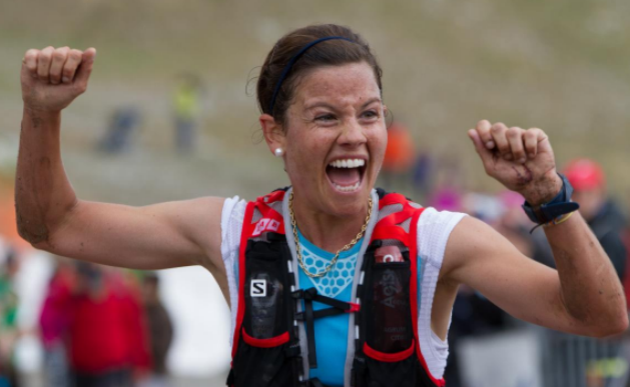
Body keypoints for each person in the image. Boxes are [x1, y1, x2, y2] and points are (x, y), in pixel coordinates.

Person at [15, 24, 627, 387]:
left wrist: (549, 199)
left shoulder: (439, 241)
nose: (354, 135)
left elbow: (600, 318)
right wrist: (42, 115)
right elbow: (55, 226)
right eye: (325, 117)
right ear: (275, 133)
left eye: (369, 114)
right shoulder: (229, 232)